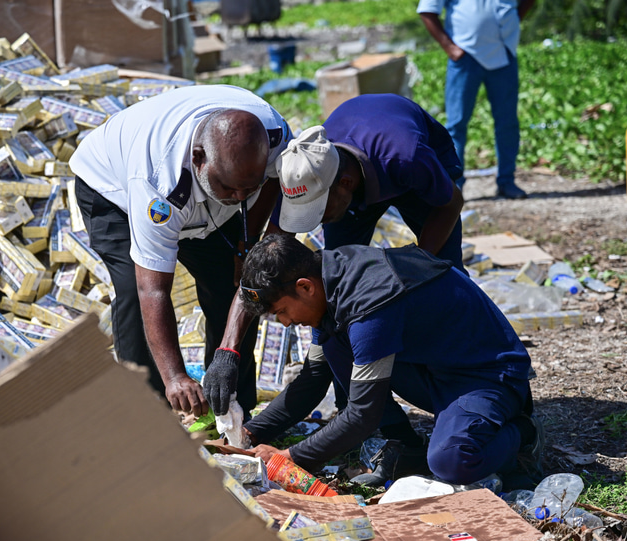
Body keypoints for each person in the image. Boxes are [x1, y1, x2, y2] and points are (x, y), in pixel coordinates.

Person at [204, 94, 465, 483]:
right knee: (335, 317)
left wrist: (418, 269)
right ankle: (372, 421)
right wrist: (229, 353)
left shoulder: (406, 157)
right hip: (352, 178)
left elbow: (450, 203)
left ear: (345, 185)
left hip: (413, 172)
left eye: (320, 212)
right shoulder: (305, 171)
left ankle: (460, 396)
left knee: (441, 285)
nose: (285, 322)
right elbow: (264, 268)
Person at [238, 235, 544, 488]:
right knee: (335, 344)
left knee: (451, 461)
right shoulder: (329, 284)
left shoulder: (368, 301)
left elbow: (363, 414)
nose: (286, 322)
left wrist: (291, 457)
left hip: (487, 375)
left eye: (281, 312)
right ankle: (407, 446)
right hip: (435, 368)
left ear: (305, 287)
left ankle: (524, 434)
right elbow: (313, 378)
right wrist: (249, 433)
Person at [69, 84, 292, 417]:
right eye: (230, 187)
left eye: (250, 188)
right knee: (132, 293)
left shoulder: (274, 136)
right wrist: (175, 377)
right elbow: (152, 290)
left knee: (235, 285)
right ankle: (147, 413)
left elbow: (273, 178)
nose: (240, 198)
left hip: (205, 196)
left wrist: (247, 243)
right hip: (113, 192)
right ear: (198, 158)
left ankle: (232, 409)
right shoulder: (159, 186)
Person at [419, 0, 536, 199]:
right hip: (465, 56)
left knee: (507, 123)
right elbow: (427, 11)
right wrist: (450, 47)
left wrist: (513, 20)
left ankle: (506, 181)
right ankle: (455, 187)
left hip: (504, 54)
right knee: (456, 124)